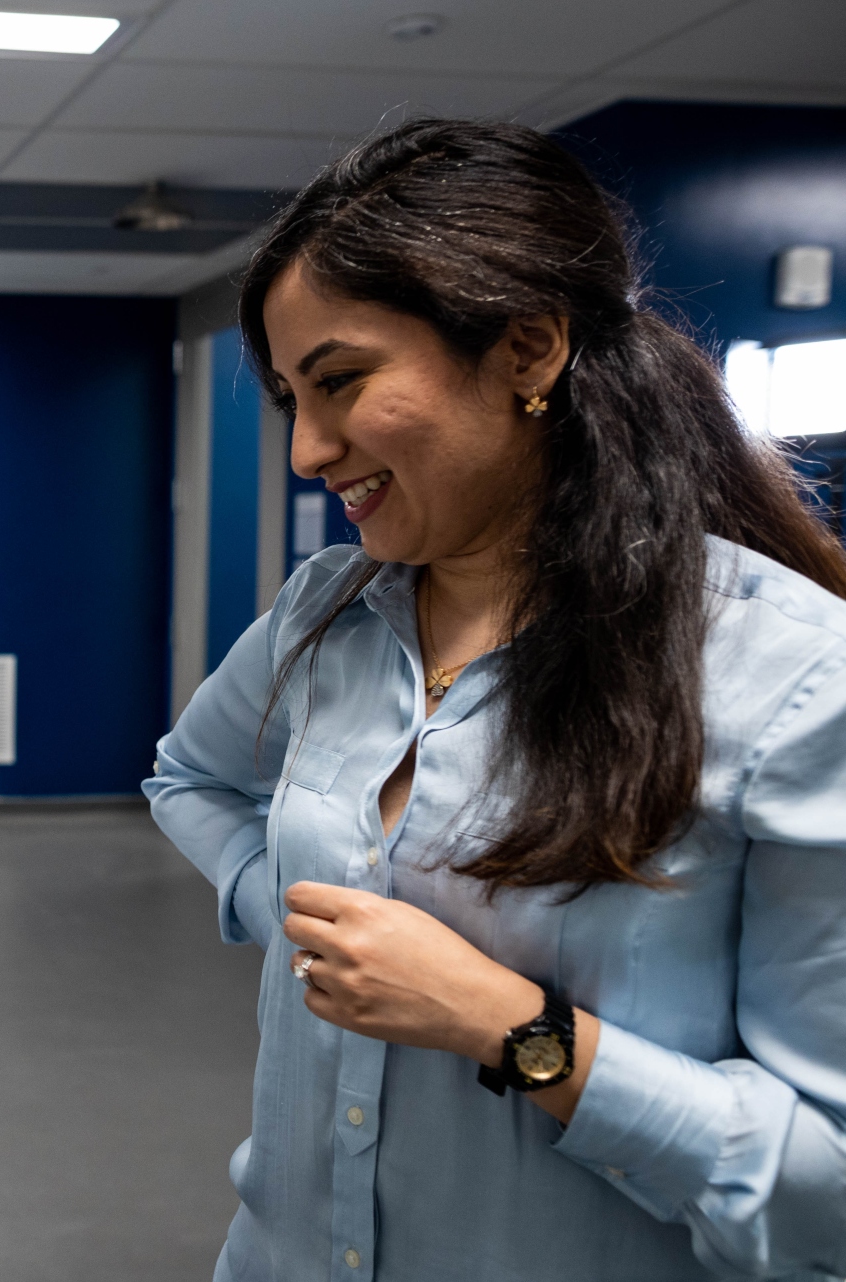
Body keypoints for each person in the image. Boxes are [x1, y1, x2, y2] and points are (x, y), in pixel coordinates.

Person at [146, 118, 846, 1280]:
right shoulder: (332, 605)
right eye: (287, 401)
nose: (306, 452)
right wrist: (293, 913)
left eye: (341, 382)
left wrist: (511, 1031)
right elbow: (193, 776)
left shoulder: (785, 679)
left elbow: (821, 1190)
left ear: (525, 349)